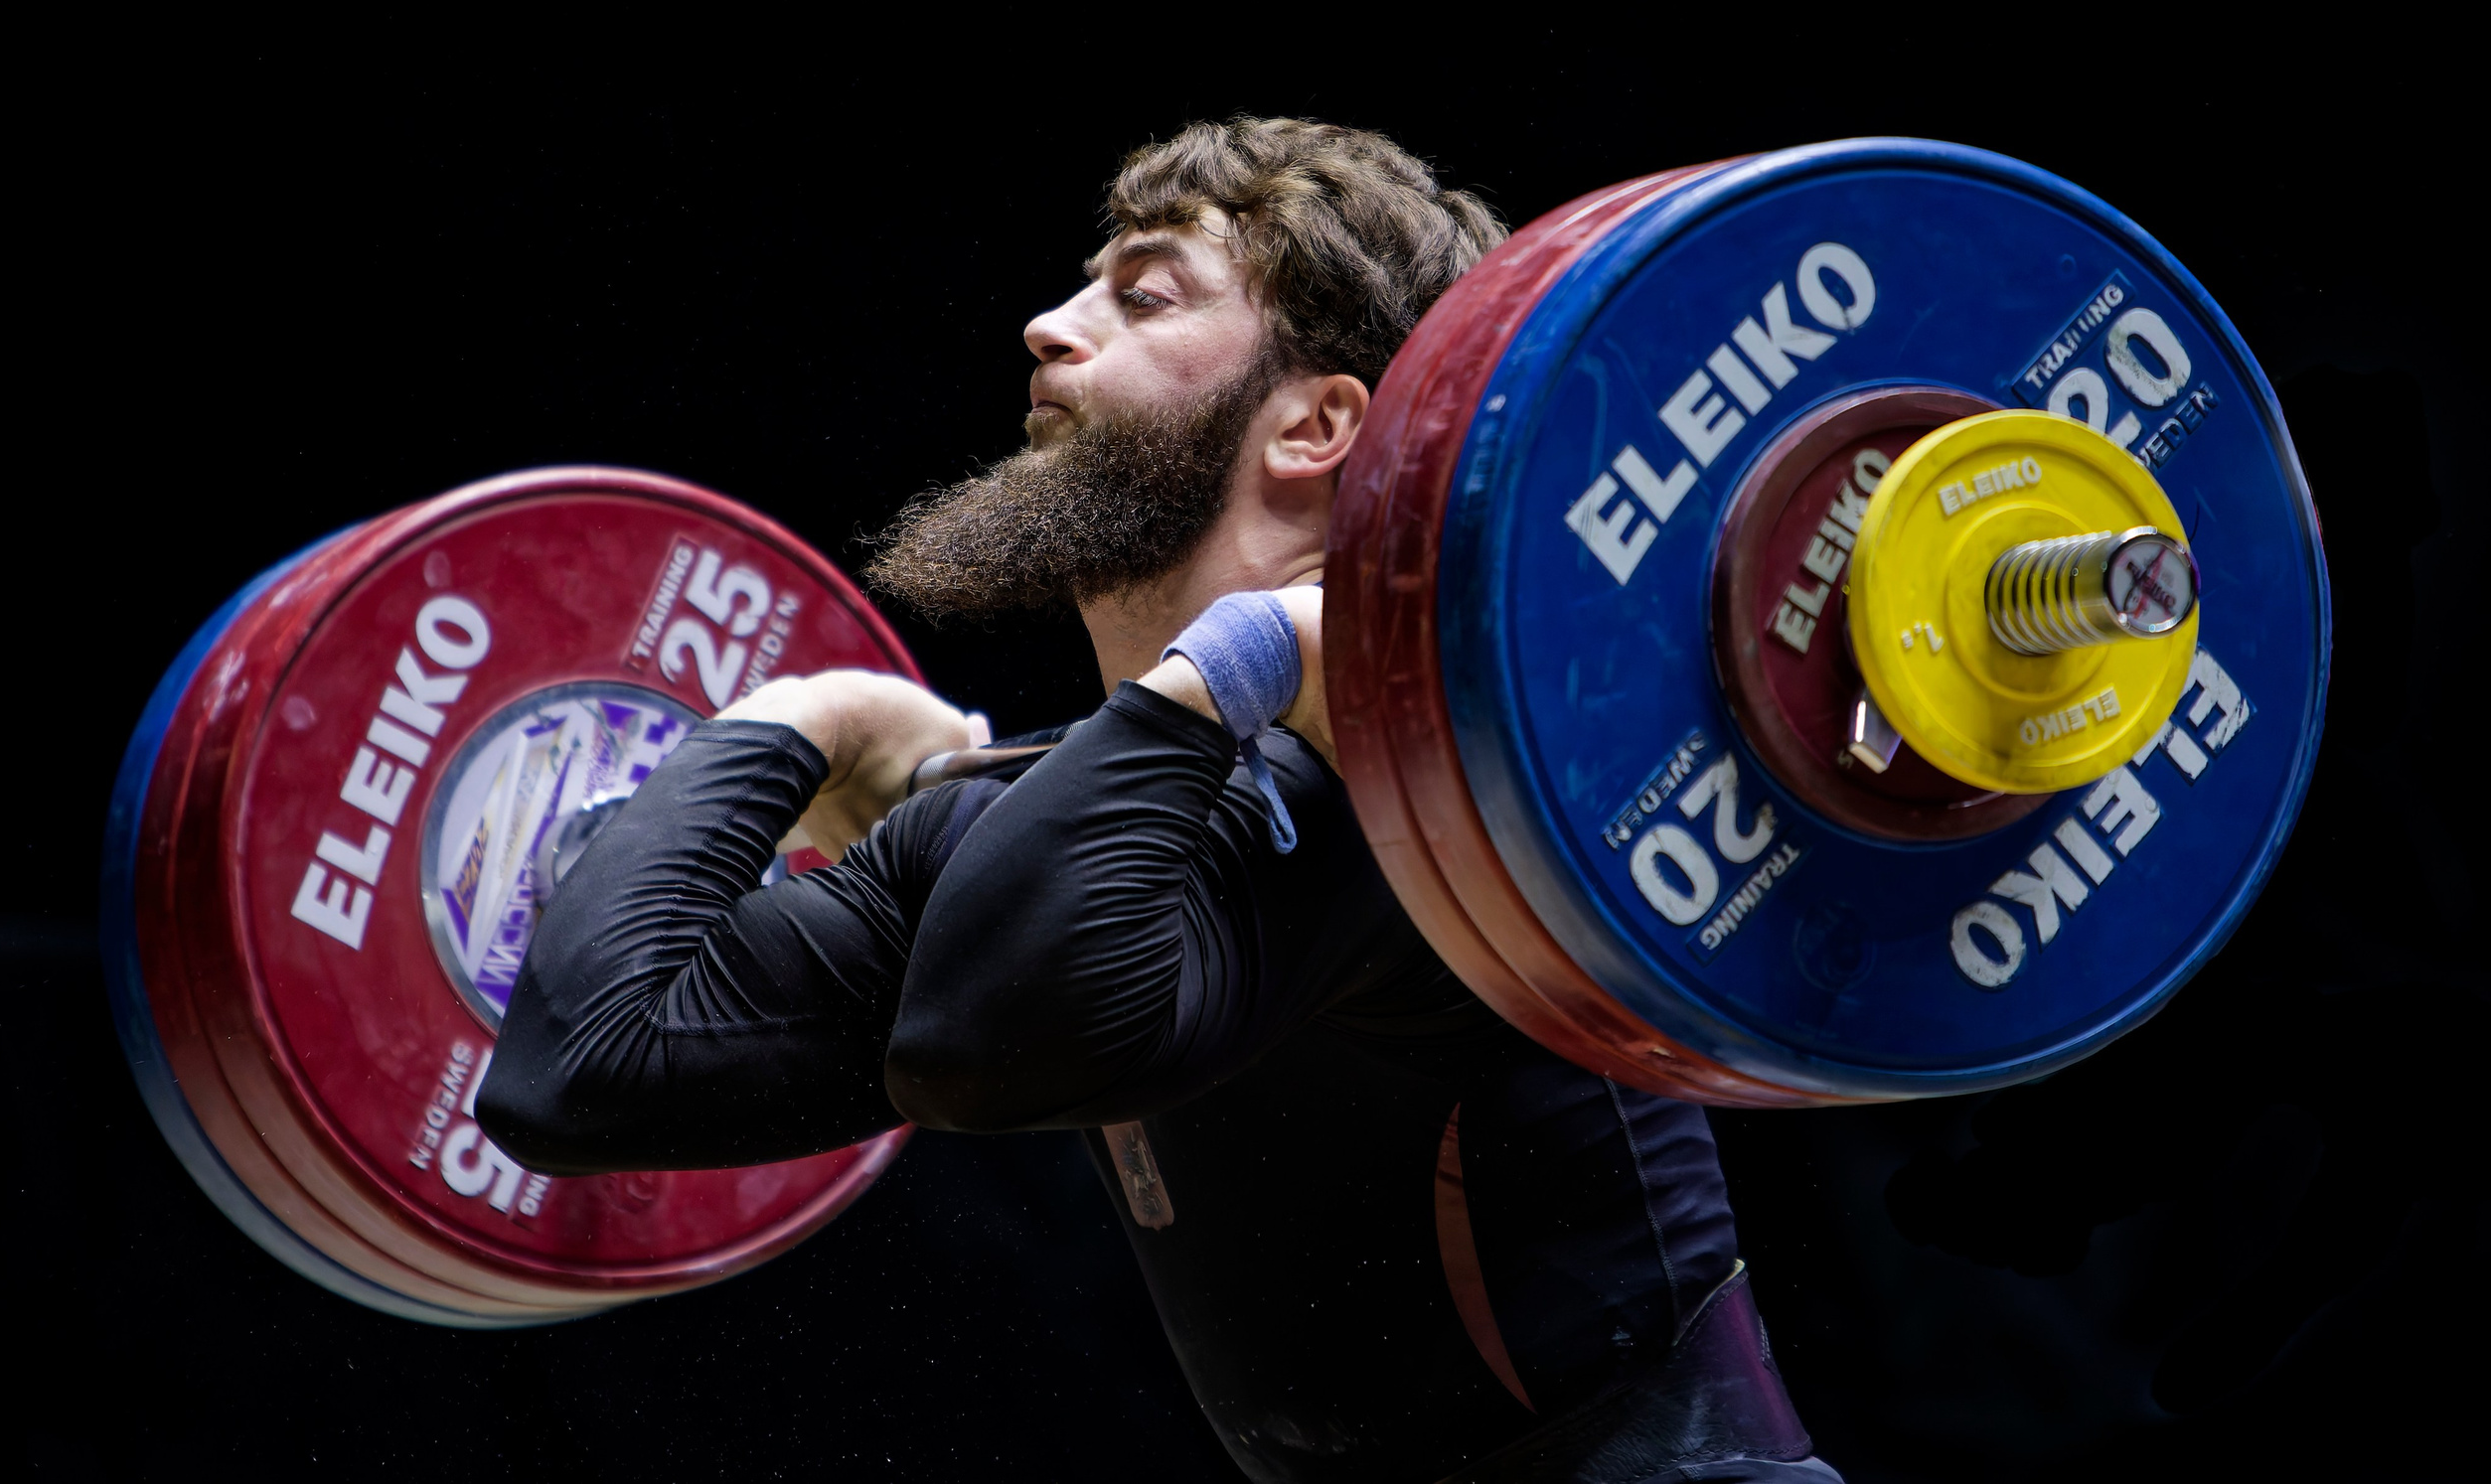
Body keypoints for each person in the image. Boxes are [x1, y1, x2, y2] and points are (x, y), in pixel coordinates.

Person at [478, 118, 1840, 1484]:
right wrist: (798, 719)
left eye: (1141, 295)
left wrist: (1236, 664)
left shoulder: (1437, 781)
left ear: (1314, 423)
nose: (1044, 327)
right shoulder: (1044, 816)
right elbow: (582, 1071)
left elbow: (993, 1034)